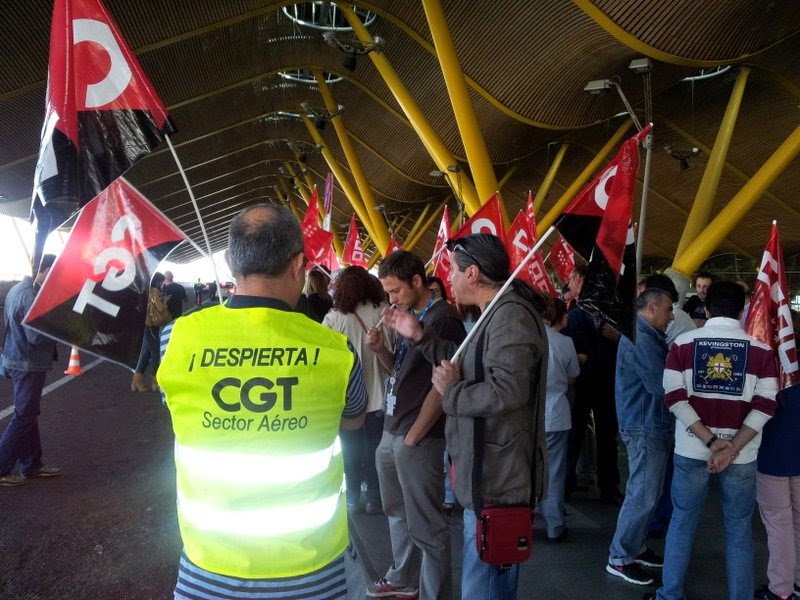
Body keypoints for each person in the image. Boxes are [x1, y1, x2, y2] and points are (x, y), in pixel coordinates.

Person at [158, 204, 368, 600]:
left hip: (208, 573)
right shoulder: (337, 350)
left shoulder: (175, 338)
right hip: (313, 575)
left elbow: (176, 407)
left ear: (229, 262)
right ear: (298, 265)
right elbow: (354, 421)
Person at [383, 234, 548, 600]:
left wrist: (451, 391)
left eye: (454, 271)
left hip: (500, 475)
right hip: (487, 471)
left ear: (472, 273)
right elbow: (464, 360)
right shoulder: (494, 313)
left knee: (484, 580)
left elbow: (508, 391)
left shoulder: (511, 316)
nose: (450, 279)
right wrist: (420, 335)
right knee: (483, 571)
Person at [647, 281, 779, 600]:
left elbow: (674, 398)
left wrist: (710, 442)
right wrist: (731, 447)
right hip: (741, 455)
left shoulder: (682, 345)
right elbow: (766, 404)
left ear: (706, 309)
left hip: (691, 448)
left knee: (682, 521)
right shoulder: (761, 352)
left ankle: (670, 594)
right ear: (741, 310)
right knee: (739, 527)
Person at [365, 250, 465, 599]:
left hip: (415, 435)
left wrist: (415, 435)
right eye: (388, 292)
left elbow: (444, 381)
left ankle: (434, 593)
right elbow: (402, 371)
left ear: (417, 281)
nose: (391, 299)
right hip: (394, 427)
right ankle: (403, 576)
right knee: (397, 512)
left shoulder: (442, 319)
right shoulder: (412, 316)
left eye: (395, 290)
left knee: (427, 525)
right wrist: (380, 350)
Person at [605, 287, 674, 586]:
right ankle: (620, 557)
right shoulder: (642, 338)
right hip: (645, 425)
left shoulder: (645, 334)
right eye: (668, 310)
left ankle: (635, 546)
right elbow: (660, 385)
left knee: (648, 493)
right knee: (642, 495)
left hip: (648, 423)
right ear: (652, 308)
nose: (671, 317)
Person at [323, 266, 394, 515]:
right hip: (378, 395)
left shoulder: (333, 318)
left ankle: (352, 498)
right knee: (375, 450)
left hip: (349, 399)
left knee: (350, 452)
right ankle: (375, 498)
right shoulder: (383, 313)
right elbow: (394, 350)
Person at [563, 265, 623, 504]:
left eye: (570, 279)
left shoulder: (575, 314)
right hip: (607, 382)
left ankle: (565, 487)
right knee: (606, 437)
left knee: (575, 435)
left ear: (579, 279)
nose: (568, 284)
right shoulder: (612, 312)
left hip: (583, 383)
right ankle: (609, 488)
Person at [0, 254, 61, 486]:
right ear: (44, 269)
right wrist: (60, 327)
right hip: (28, 363)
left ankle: (32, 464)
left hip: (16, 358)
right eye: (54, 273)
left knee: (28, 414)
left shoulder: (17, 290)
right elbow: (36, 336)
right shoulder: (30, 296)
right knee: (24, 417)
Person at [754, 310, 800, 600]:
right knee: (796, 521)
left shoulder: (769, 366)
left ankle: (781, 588)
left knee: (778, 523)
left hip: (772, 455)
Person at [540, 295, 580, 543]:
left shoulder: (528, 338)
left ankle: (523, 518)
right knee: (554, 471)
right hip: (556, 414)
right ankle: (554, 525)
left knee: (528, 469)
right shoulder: (565, 342)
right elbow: (573, 376)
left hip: (529, 416)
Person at [131, 272, 166, 393]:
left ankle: (136, 382)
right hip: (152, 326)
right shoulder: (155, 291)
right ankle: (155, 382)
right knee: (155, 353)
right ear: (158, 281)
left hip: (146, 325)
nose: (162, 284)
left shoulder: (146, 290)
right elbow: (160, 308)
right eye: (162, 281)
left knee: (145, 354)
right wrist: (165, 301)